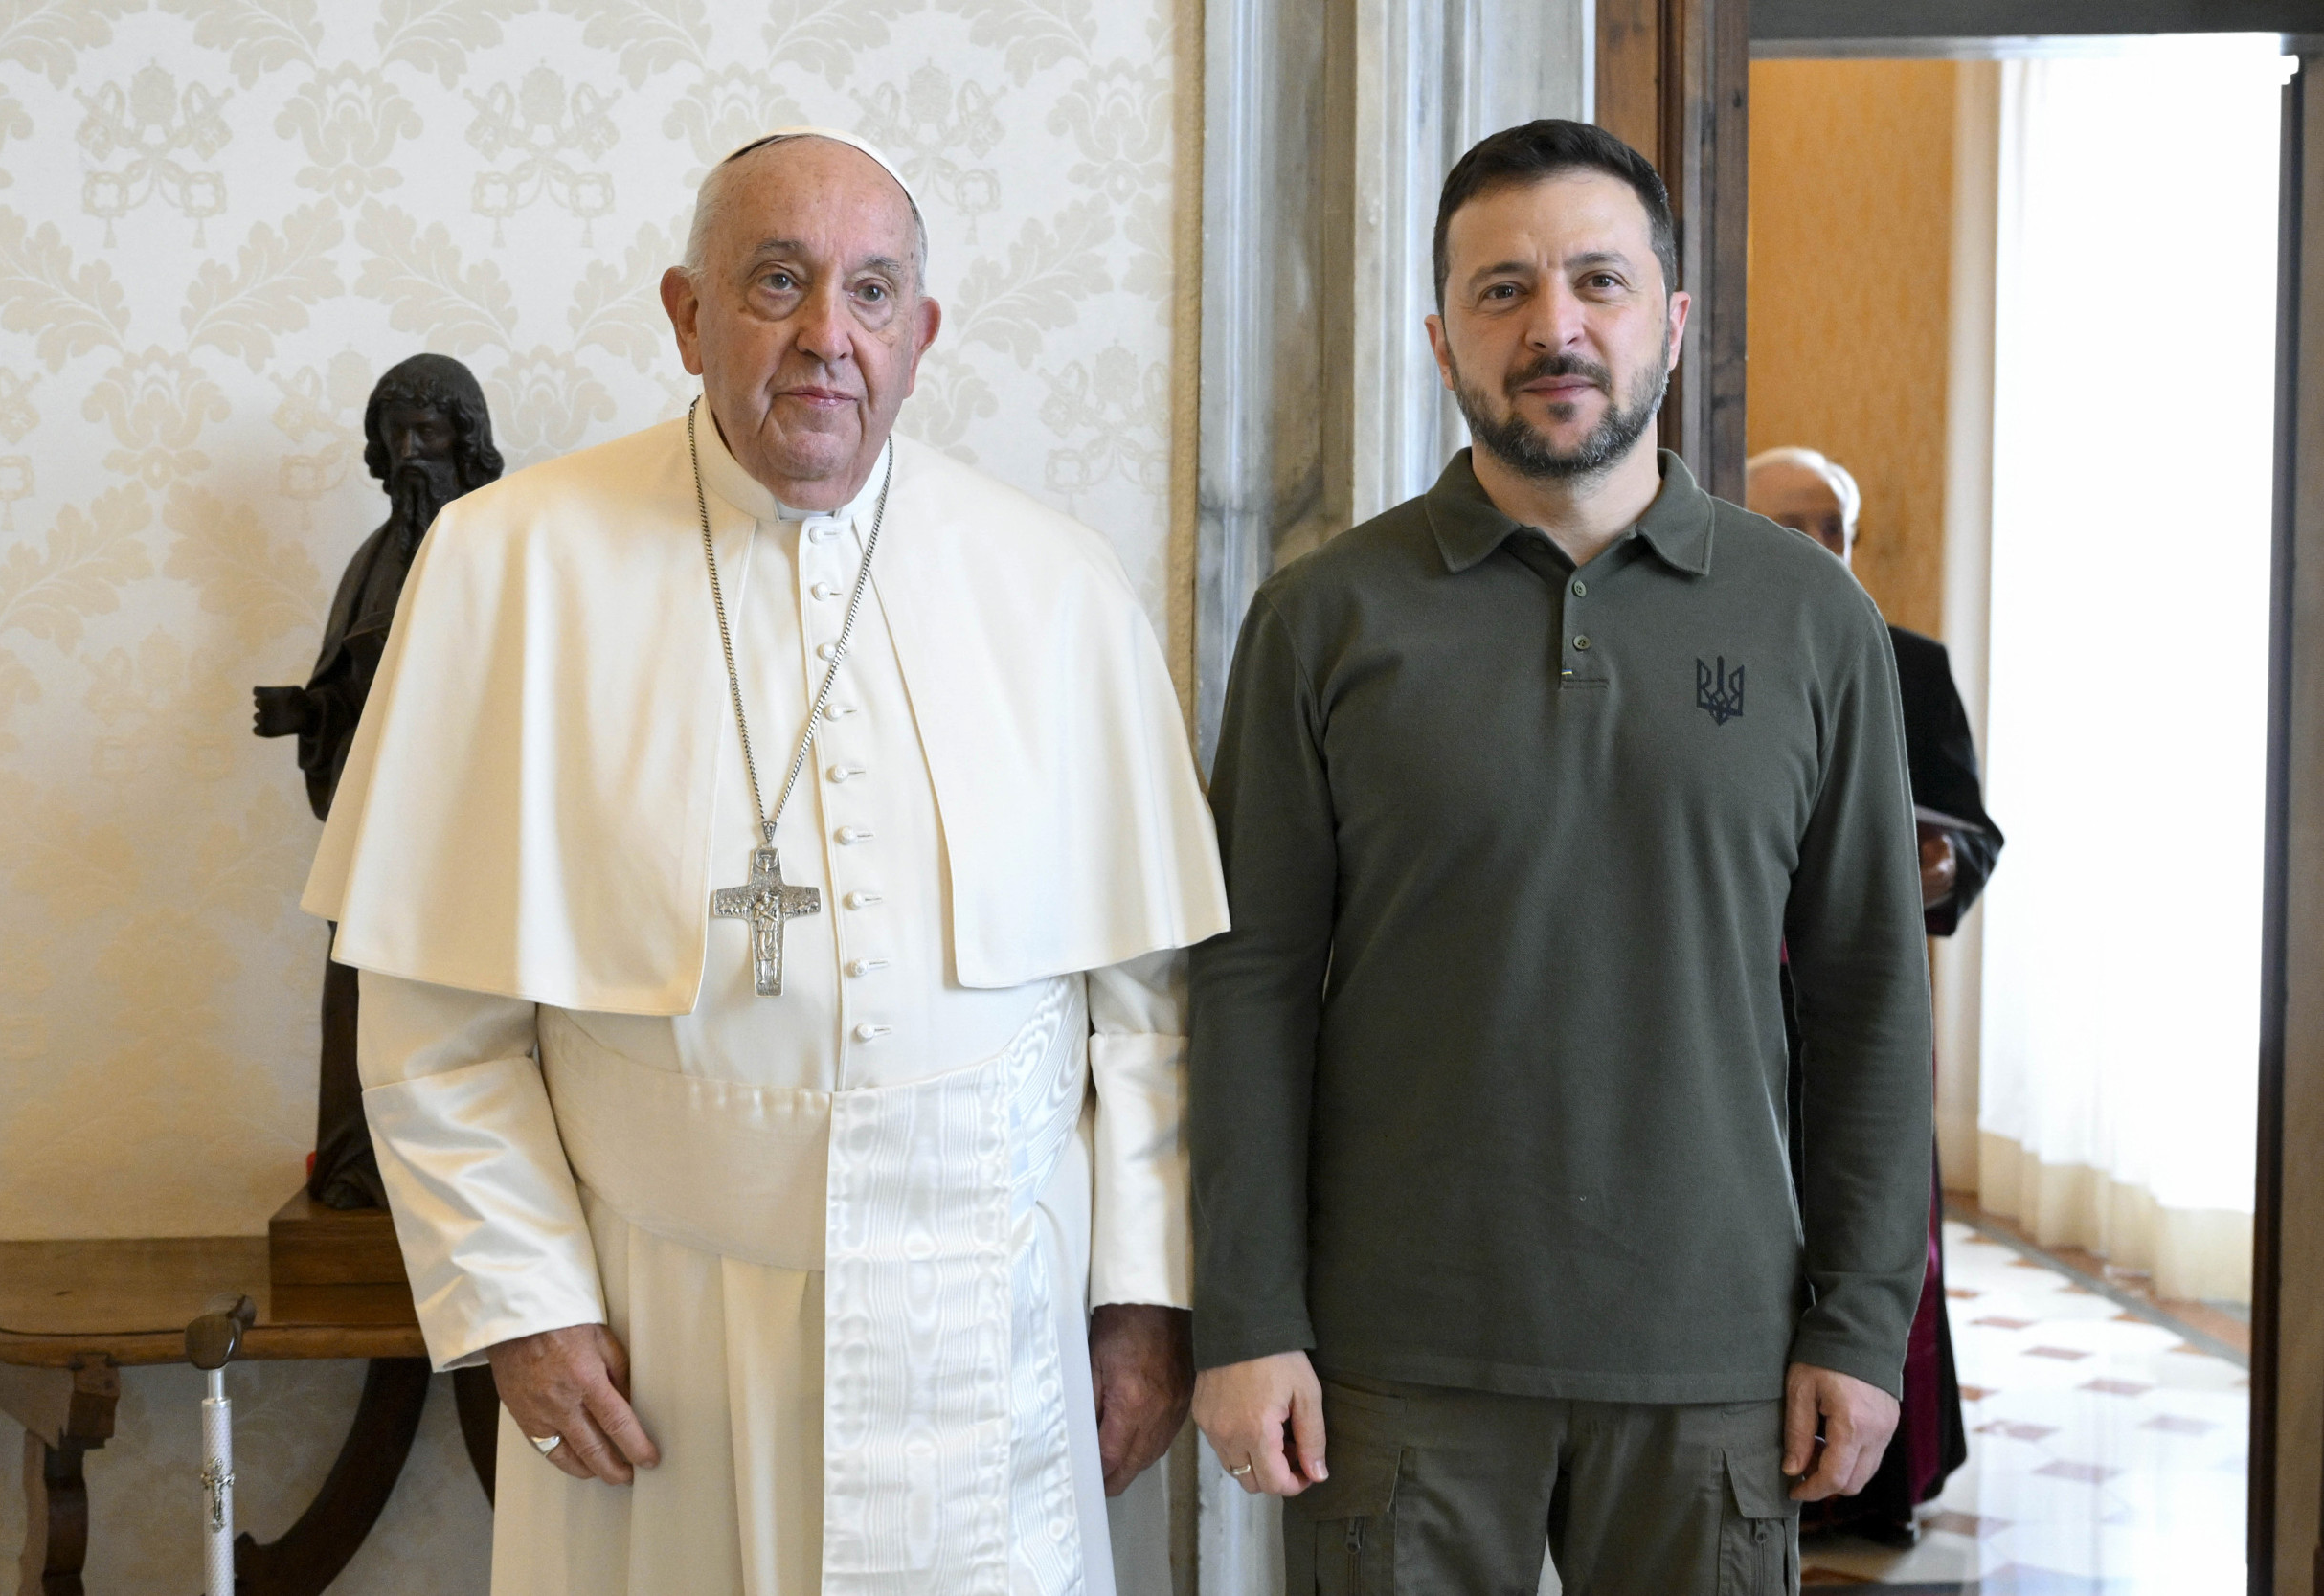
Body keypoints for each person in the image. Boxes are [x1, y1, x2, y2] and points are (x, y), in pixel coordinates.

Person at [303, 127, 1229, 1596]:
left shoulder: (1058, 586)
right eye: (776, 282)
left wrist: (1147, 1300)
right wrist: (523, 1302)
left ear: (920, 336)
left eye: (870, 294)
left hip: (990, 1328)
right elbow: (431, 1021)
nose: (825, 339)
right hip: (659, 1338)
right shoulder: (506, 566)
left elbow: (1152, 1008)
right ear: (684, 313)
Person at [1187, 121, 1934, 1595]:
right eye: (1503, 289)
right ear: (1441, 337)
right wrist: (1247, 1313)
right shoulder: (1321, 617)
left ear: (1672, 319)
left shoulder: (1812, 621)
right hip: (1390, 1364)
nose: (1556, 326)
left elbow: (1869, 993)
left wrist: (1858, 1320)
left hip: (1718, 1363)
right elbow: (1249, 983)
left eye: (1599, 279)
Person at [1747, 444, 2005, 1545]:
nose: (1816, 549)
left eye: (1832, 527)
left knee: (1873, 1223)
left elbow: (1967, 829)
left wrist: (1939, 866)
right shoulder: (1715, 647)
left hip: (1862, 997)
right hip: (1746, 1010)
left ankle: (1873, 1476)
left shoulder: (1911, 660)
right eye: (1788, 524)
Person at [255, 352, 505, 1210]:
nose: (408, 452)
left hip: (472, 829)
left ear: (464, 441)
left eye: (427, 432)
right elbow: (349, 687)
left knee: (467, 1016)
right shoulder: (374, 556)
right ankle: (359, 1166)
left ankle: (469, 1181)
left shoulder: (502, 545)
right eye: (394, 434)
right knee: (360, 994)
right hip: (377, 834)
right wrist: (310, 710)